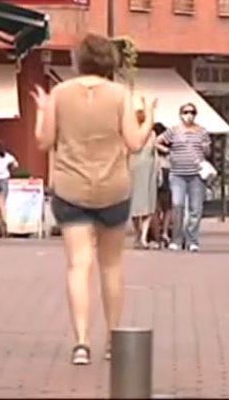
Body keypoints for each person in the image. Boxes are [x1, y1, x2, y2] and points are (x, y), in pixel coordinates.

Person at [31, 33, 155, 366]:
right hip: (113, 187)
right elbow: (134, 143)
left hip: (70, 187)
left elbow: (43, 141)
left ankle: (82, 342)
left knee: (78, 265)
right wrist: (149, 120)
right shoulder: (120, 95)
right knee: (111, 265)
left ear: (78, 60)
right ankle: (114, 339)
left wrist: (44, 112)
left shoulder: (59, 93)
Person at [157, 103, 212, 252]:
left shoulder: (202, 131)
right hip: (177, 174)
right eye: (186, 112)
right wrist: (168, 152)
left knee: (196, 208)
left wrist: (205, 148)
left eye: (192, 112)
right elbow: (157, 141)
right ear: (180, 114)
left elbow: (207, 151)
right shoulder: (174, 130)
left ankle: (192, 240)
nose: (189, 115)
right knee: (177, 205)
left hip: (196, 174)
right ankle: (176, 238)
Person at [129, 98, 159, 249]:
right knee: (144, 205)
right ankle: (142, 236)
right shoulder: (144, 134)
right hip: (143, 169)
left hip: (138, 169)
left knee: (139, 206)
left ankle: (140, 236)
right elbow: (154, 153)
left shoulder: (132, 133)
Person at [152, 122, 173, 248]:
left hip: (154, 171)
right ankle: (164, 232)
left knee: (155, 206)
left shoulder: (152, 144)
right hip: (167, 171)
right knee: (168, 207)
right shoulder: (169, 147)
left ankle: (156, 235)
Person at [0, 141, 18, 237]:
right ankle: (5, 225)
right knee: (2, 205)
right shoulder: (7, 156)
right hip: (4, 180)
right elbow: (15, 165)